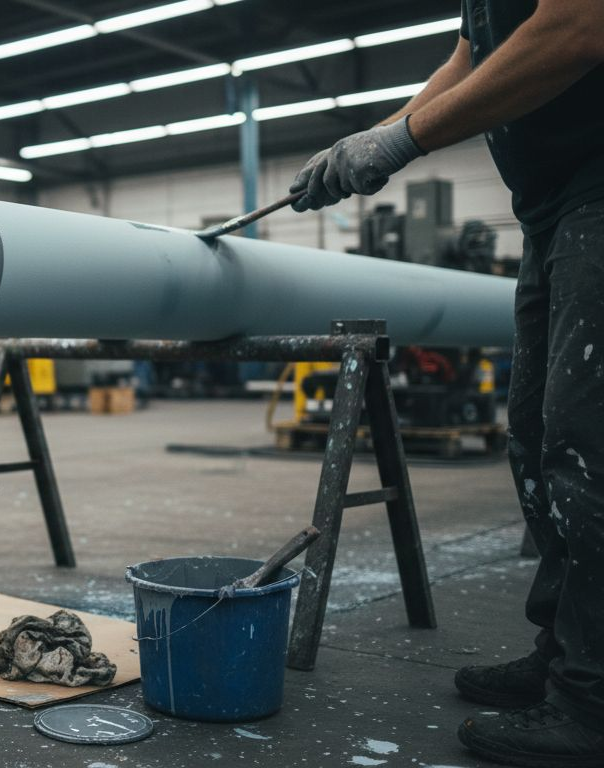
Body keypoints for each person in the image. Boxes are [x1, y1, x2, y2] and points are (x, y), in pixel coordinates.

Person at [288, 0, 604, 765]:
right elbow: (473, 54)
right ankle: (565, 652)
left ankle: (592, 700)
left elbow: (580, 23)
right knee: (532, 438)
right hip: (548, 207)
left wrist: (404, 138)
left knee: (587, 443)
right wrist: (380, 138)